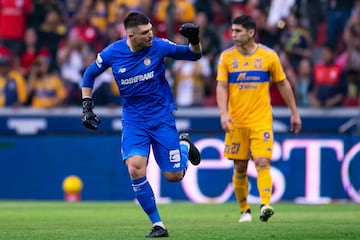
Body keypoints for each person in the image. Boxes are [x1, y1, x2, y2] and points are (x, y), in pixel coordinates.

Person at [80, 12, 202, 238]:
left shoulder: (159, 46)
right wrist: (87, 105)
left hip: (161, 118)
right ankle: (158, 225)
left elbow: (194, 56)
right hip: (134, 121)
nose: (151, 35)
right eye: (145, 33)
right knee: (135, 167)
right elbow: (89, 74)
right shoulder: (112, 53)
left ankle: (184, 145)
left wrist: (194, 40)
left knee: (173, 176)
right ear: (131, 35)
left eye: (151, 30)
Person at [216, 15, 302, 223]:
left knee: (262, 161)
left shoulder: (269, 56)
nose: (233, 35)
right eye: (232, 30)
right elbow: (221, 86)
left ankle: (265, 204)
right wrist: (223, 114)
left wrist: (294, 112)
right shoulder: (226, 57)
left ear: (251, 33)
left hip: (261, 120)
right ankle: (245, 210)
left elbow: (282, 83)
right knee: (240, 167)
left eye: (238, 31)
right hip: (236, 121)